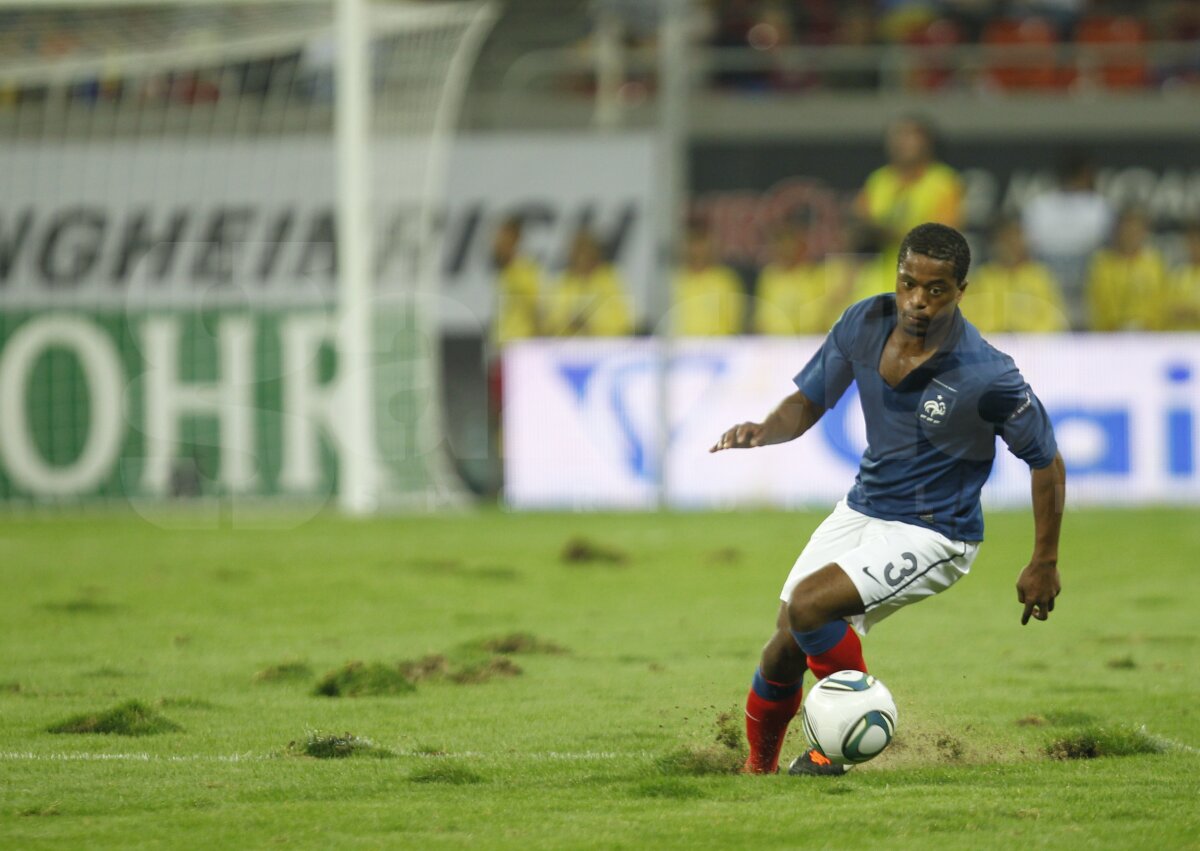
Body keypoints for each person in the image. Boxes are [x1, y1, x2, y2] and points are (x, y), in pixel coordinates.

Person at [710, 223, 1065, 776]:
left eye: (936, 289)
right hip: (863, 506)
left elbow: (1047, 462)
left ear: (961, 290)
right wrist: (763, 429)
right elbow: (807, 402)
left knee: (809, 606)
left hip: (935, 530)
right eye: (908, 284)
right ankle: (758, 771)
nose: (917, 300)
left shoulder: (987, 373)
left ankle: (840, 747)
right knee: (784, 643)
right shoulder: (865, 322)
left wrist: (1044, 560)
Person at [855, 115, 964, 294]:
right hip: (878, 281)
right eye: (897, 136)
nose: (902, 143)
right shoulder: (878, 180)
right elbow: (860, 225)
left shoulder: (944, 183)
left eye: (910, 136)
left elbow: (943, 238)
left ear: (927, 142)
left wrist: (891, 232)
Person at [1021, 150, 1115, 330]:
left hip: (1089, 296)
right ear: (1087, 174)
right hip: (1046, 294)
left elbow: (1108, 259)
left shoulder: (1098, 207)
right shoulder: (1040, 207)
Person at [962, 216, 1069, 333]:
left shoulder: (1040, 277)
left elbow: (1054, 319)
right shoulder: (982, 277)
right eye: (1005, 240)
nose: (1011, 246)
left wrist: (1025, 336)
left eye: (1015, 240)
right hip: (988, 340)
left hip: (1033, 342)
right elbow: (967, 317)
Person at [1086, 206, 1170, 332]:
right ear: (1117, 231)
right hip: (1111, 334)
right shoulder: (1102, 263)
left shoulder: (1155, 263)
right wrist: (1111, 327)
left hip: (1150, 334)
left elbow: (1163, 301)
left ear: (1144, 232)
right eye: (1126, 228)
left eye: (1136, 229)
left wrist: (1151, 326)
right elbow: (1097, 302)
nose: (1130, 234)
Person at [543, 228, 635, 337]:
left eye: (586, 251)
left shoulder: (610, 279)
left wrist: (593, 323)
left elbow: (624, 322)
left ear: (595, 253)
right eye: (578, 252)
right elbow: (550, 323)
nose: (582, 258)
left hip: (605, 344)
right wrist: (569, 321)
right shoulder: (564, 282)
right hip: (568, 344)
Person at [753, 223, 842, 335]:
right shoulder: (768, 276)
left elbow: (819, 317)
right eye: (780, 246)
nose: (785, 251)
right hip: (774, 341)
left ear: (801, 247)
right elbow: (762, 317)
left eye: (789, 245)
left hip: (808, 340)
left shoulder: (814, 276)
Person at [673, 223, 746, 336]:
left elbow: (734, 323)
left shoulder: (725, 281)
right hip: (679, 344)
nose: (697, 249)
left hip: (718, 344)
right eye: (693, 242)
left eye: (702, 243)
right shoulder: (673, 280)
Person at [491, 216, 542, 347]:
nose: (498, 243)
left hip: (520, 345)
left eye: (504, 238)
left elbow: (536, 309)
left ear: (516, 239)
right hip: (503, 344)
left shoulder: (525, 270)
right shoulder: (505, 271)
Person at [1167, 220, 1200, 330]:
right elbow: (1167, 307)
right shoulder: (1178, 274)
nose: (1196, 247)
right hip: (1179, 334)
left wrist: (1193, 312)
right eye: (1193, 242)